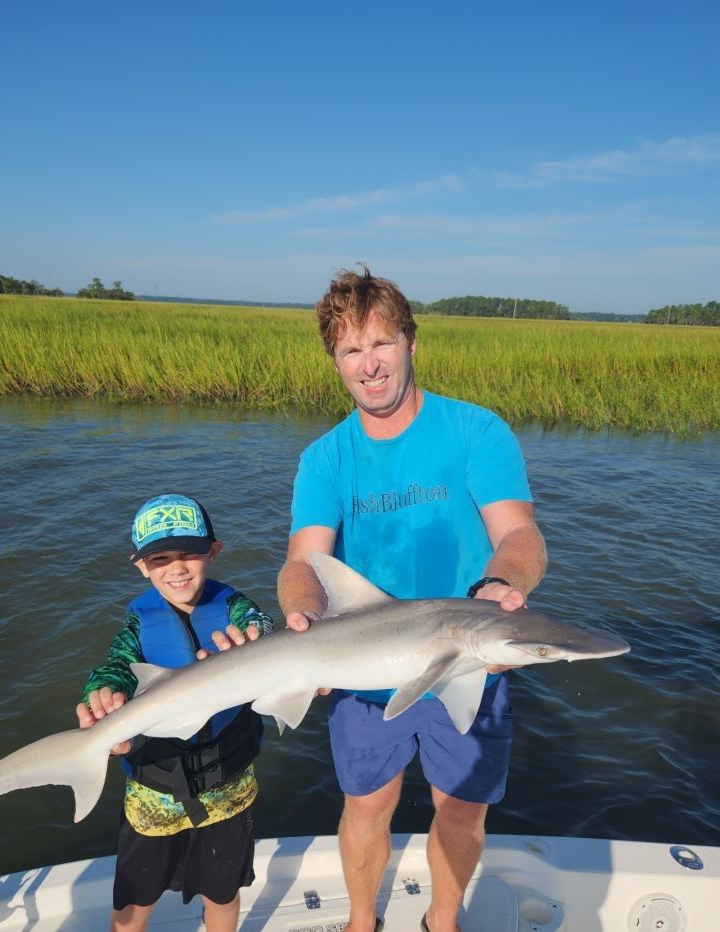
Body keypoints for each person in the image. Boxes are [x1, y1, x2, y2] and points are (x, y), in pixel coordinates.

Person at [277, 266, 547, 932]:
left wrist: (502, 584)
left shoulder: (476, 432)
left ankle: (441, 923)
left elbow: (519, 535)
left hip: (468, 659)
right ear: (334, 361)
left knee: (463, 810)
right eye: (350, 350)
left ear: (411, 343)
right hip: (363, 667)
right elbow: (301, 562)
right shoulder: (325, 459)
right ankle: (361, 924)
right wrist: (304, 616)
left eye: (381, 344)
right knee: (367, 806)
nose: (369, 366)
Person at [76, 493, 274, 932]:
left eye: (190, 553)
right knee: (134, 901)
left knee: (224, 893)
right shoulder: (138, 623)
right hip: (155, 794)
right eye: (160, 558)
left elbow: (263, 622)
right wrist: (103, 693)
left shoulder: (235, 608)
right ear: (141, 566)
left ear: (214, 552)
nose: (177, 568)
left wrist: (255, 636)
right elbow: (116, 665)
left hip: (230, 786)